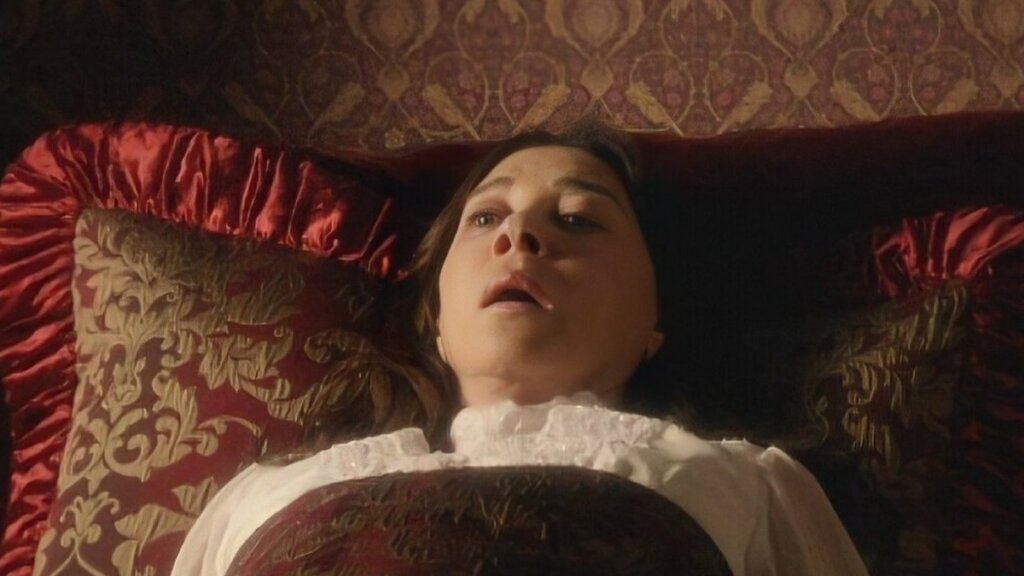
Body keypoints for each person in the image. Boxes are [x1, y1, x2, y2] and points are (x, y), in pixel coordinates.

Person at [171, 124, 869, 576]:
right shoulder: (261, 496)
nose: (518, 236)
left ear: (655, 315)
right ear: (435, 321)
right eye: (485, 217)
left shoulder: (745, 487)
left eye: (578, 218)